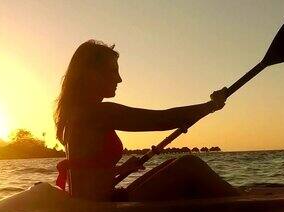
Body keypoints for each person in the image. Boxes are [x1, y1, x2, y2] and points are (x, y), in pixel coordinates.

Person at [54, 40, 238, 201]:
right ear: (91, 75)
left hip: (99, 200)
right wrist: (210, 105)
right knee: (190, 164)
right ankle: (241, 205)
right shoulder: (97, 113)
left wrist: (122, 169)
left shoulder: (78, 112)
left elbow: (87, 177)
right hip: (101, 209)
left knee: (174, 162)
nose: (119, 79)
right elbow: (161, 119)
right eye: (112, 71)